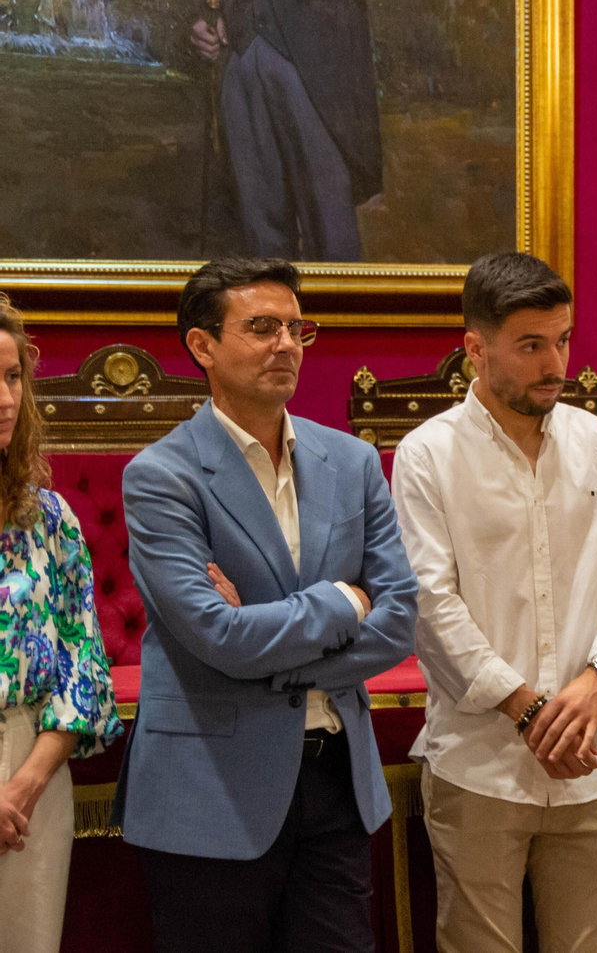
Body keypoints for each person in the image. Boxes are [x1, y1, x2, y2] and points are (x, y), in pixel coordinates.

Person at [116, 258, 419, 953]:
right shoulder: (162, 476)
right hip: (210, 794)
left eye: (295, 328)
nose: (286, 344)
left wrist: (271, 651)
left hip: (335, 782)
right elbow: (217, 635)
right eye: (261, 327)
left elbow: (400, 616)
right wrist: (345, 600)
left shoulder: (351, 461)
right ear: (203, 346)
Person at [392, 253, 597, 953]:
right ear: (475, 349)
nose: (556, 363)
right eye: (531, 345)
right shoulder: (428, 455)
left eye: (564, 339)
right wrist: (525, 708)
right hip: (480, 762)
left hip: (593, 754)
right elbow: (431, 601)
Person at [184, 0, 418, 259]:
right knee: (258, 244)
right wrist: (202, 11)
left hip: (320, 59)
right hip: (239, 52)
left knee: (331, 238)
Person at [0, 297, 122, 953]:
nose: (4, 398)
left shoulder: (48, 519)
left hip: (33, 774)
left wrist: (23, 784)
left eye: (13, 377)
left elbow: (84, 671)